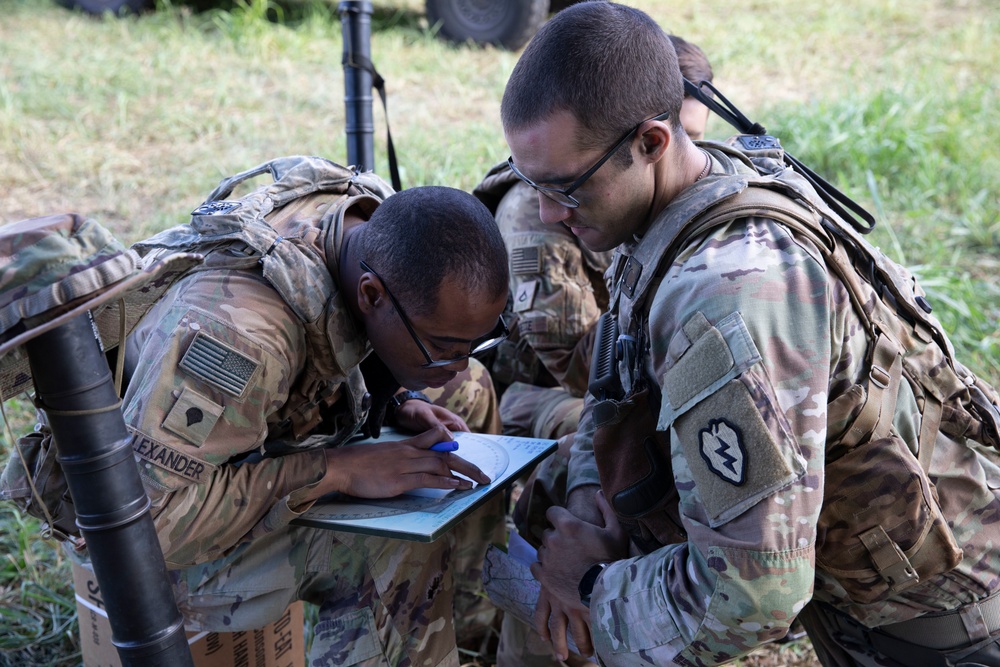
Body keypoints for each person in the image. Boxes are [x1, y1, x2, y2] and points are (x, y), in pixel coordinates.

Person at [501, 3, 1000, 666]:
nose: (546, 213)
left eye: (567, 187)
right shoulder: (674, 198)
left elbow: (752, 590)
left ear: (650, 142)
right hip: (874, 590)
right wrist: (594, 501)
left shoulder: (727, 292)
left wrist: (590, 584)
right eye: (531, 182)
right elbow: (613, 376)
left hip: (944, 624)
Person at [118, 159, 511, 667]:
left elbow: (344, 342)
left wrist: (397, 398)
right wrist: (339, 472)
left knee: (470, 392)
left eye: (473, 343)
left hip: (260, 437)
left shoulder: (364, 228)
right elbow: (146, 526)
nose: (454, 366)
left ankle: (468, 634)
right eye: (443, 348)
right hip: (155, 537)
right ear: (371, 294)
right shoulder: (239, 339)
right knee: (388, 547)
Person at [476, 34, 714, 443]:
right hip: (539, 392)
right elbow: (578, 369)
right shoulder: (538, 216)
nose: (683, 153)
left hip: (628, 377)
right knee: (651, 441)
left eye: (694, 136)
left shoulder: (669, 187)